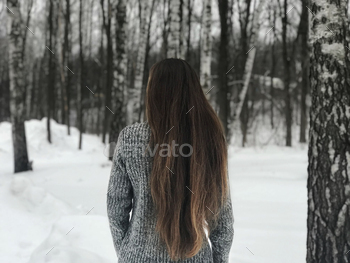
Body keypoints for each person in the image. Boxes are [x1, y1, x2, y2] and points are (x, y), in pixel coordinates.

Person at [107, 58, 234, 263]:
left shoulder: (130, 138)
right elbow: (222, 220)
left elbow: (116, 209)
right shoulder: (209, 139)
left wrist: (127, 253)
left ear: (154, 93)